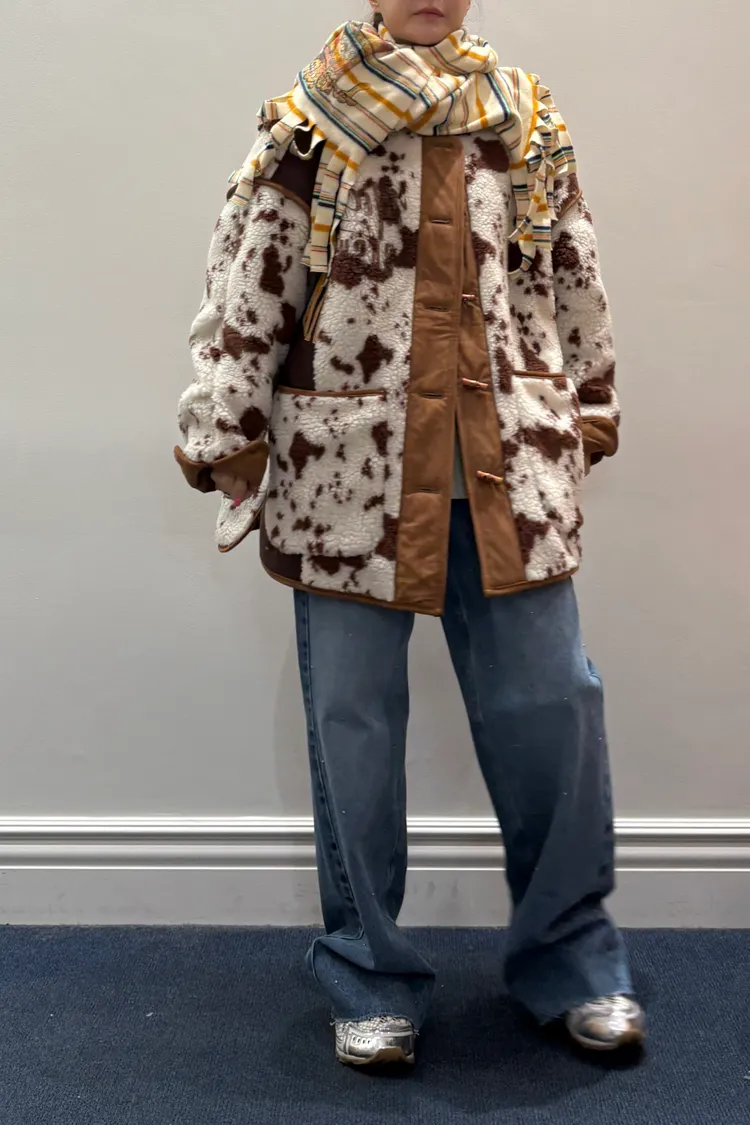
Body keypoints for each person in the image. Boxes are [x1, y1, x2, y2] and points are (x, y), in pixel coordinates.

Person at [175, 0, 646, 1068]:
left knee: (553, 707)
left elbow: (570, 273)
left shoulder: (523, 117)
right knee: (354, 727)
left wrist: (590, 403)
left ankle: (573, 959)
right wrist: (227, 425)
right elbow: (249, 280)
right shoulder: (309, 123)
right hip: (350, 477)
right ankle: (370, 974)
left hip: (502, 463)